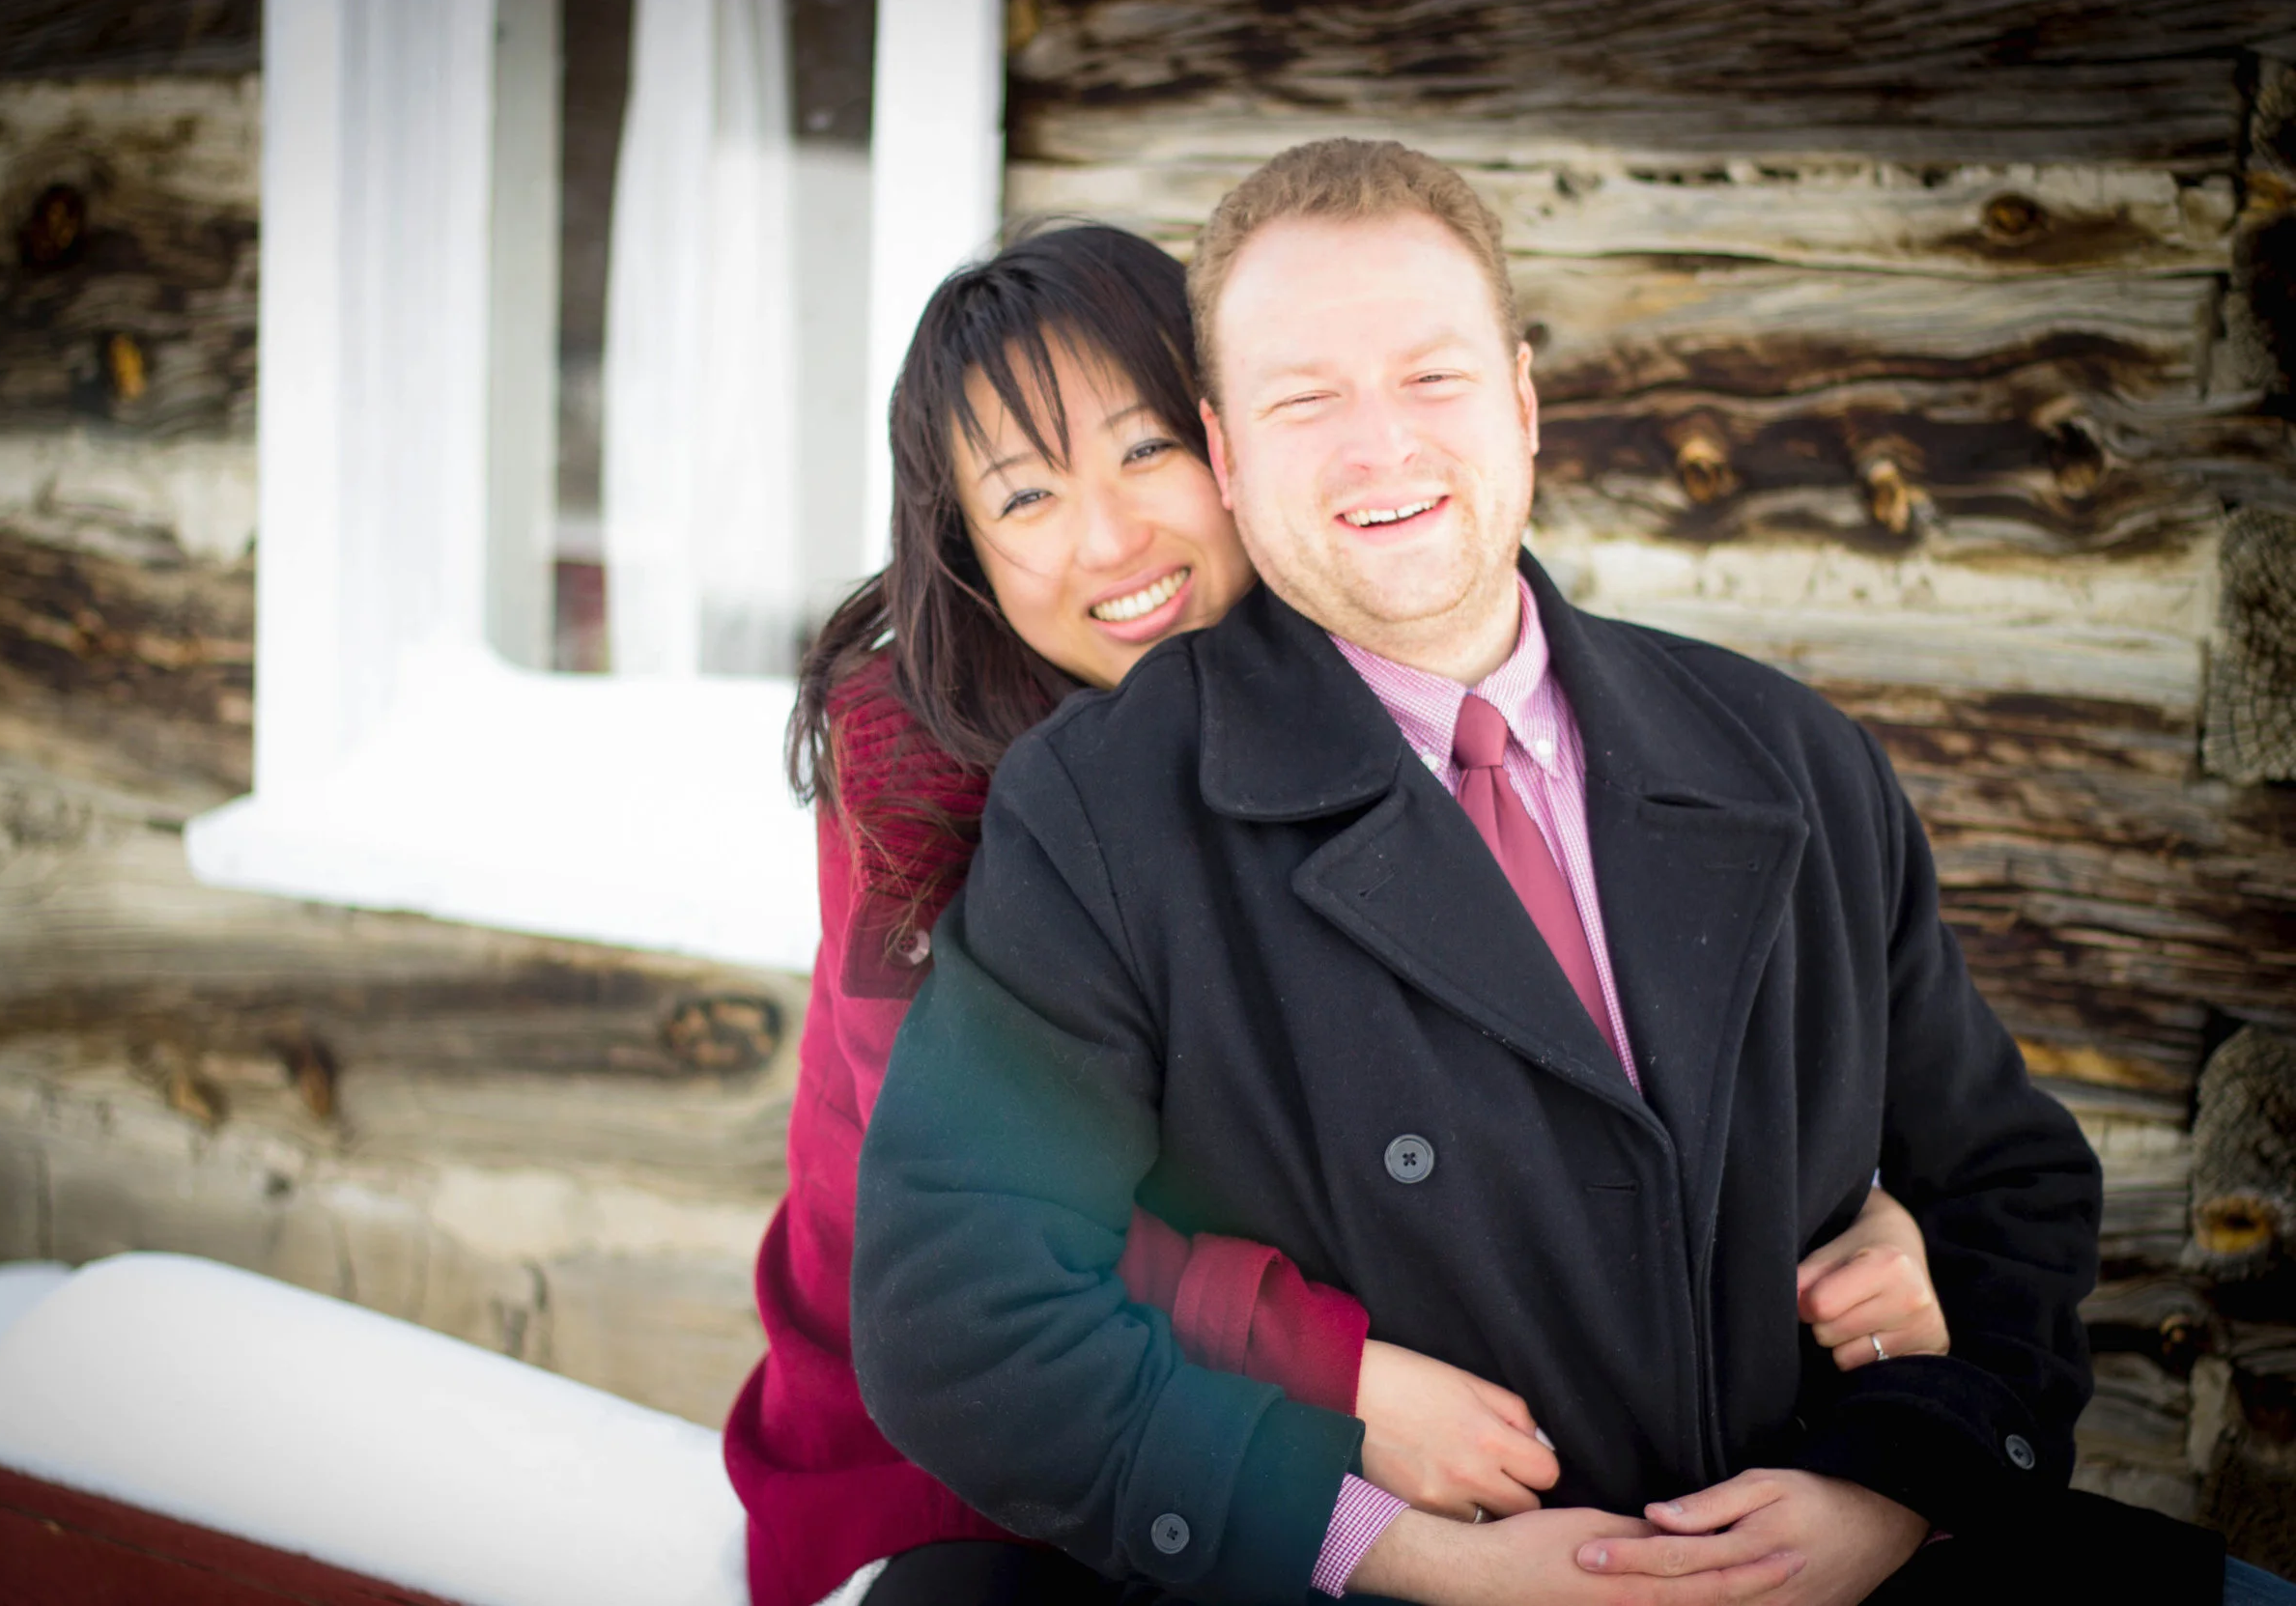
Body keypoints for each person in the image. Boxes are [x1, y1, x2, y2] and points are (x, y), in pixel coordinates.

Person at [851, 143, 2282, 1604]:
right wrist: (1381, 1549)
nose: (1381, 448)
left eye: (1432, 377)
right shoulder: (1100, 812)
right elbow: (961, 1309)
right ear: (1231, 452)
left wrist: (1896, 1481)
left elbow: (2008, 1184)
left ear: (1524, 402)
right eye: (1305, 399)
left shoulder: (1788, 753)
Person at [723, 221, 1952, 1606]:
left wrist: (1857, 1205)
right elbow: (978, 1241)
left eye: (1145, 452)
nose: (1112, 537)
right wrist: (1342, 1373)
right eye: (1026, 499)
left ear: (1232, 447)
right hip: (969, 1477)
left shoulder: (1397, 707)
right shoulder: (931, 782)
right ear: (965, 552)